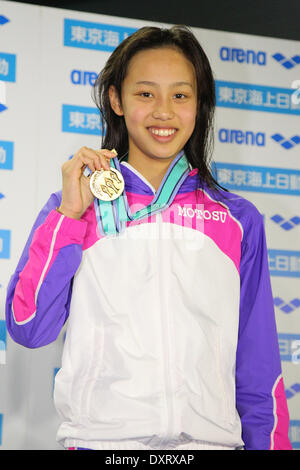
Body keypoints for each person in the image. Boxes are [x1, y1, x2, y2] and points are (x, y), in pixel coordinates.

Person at [5, 25, 292, 451]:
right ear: (117, 100)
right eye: (145, 94)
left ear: (199, 105)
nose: (164, 112)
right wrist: (68, 216)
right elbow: (29, 327)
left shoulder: (236, 219)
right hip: (101, 446)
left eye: (180, 95)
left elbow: (258, 363)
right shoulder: (76, 206)